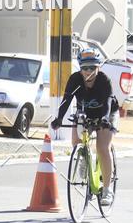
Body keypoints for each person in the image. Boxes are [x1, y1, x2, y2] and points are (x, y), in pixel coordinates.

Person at [50, 49, 119, 206]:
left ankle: (107, 190)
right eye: (85, 68)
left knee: (102, 148)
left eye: (92, 68)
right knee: (76, 140)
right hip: (85, 113)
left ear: (98, 68)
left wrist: (105, 119)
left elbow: (108, 103)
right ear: (80, 69)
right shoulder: (74, 79)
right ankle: (83, 157)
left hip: (106, 114)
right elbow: (66, 100)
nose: (89, 71)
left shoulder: (104, 80)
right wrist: (59, 118)